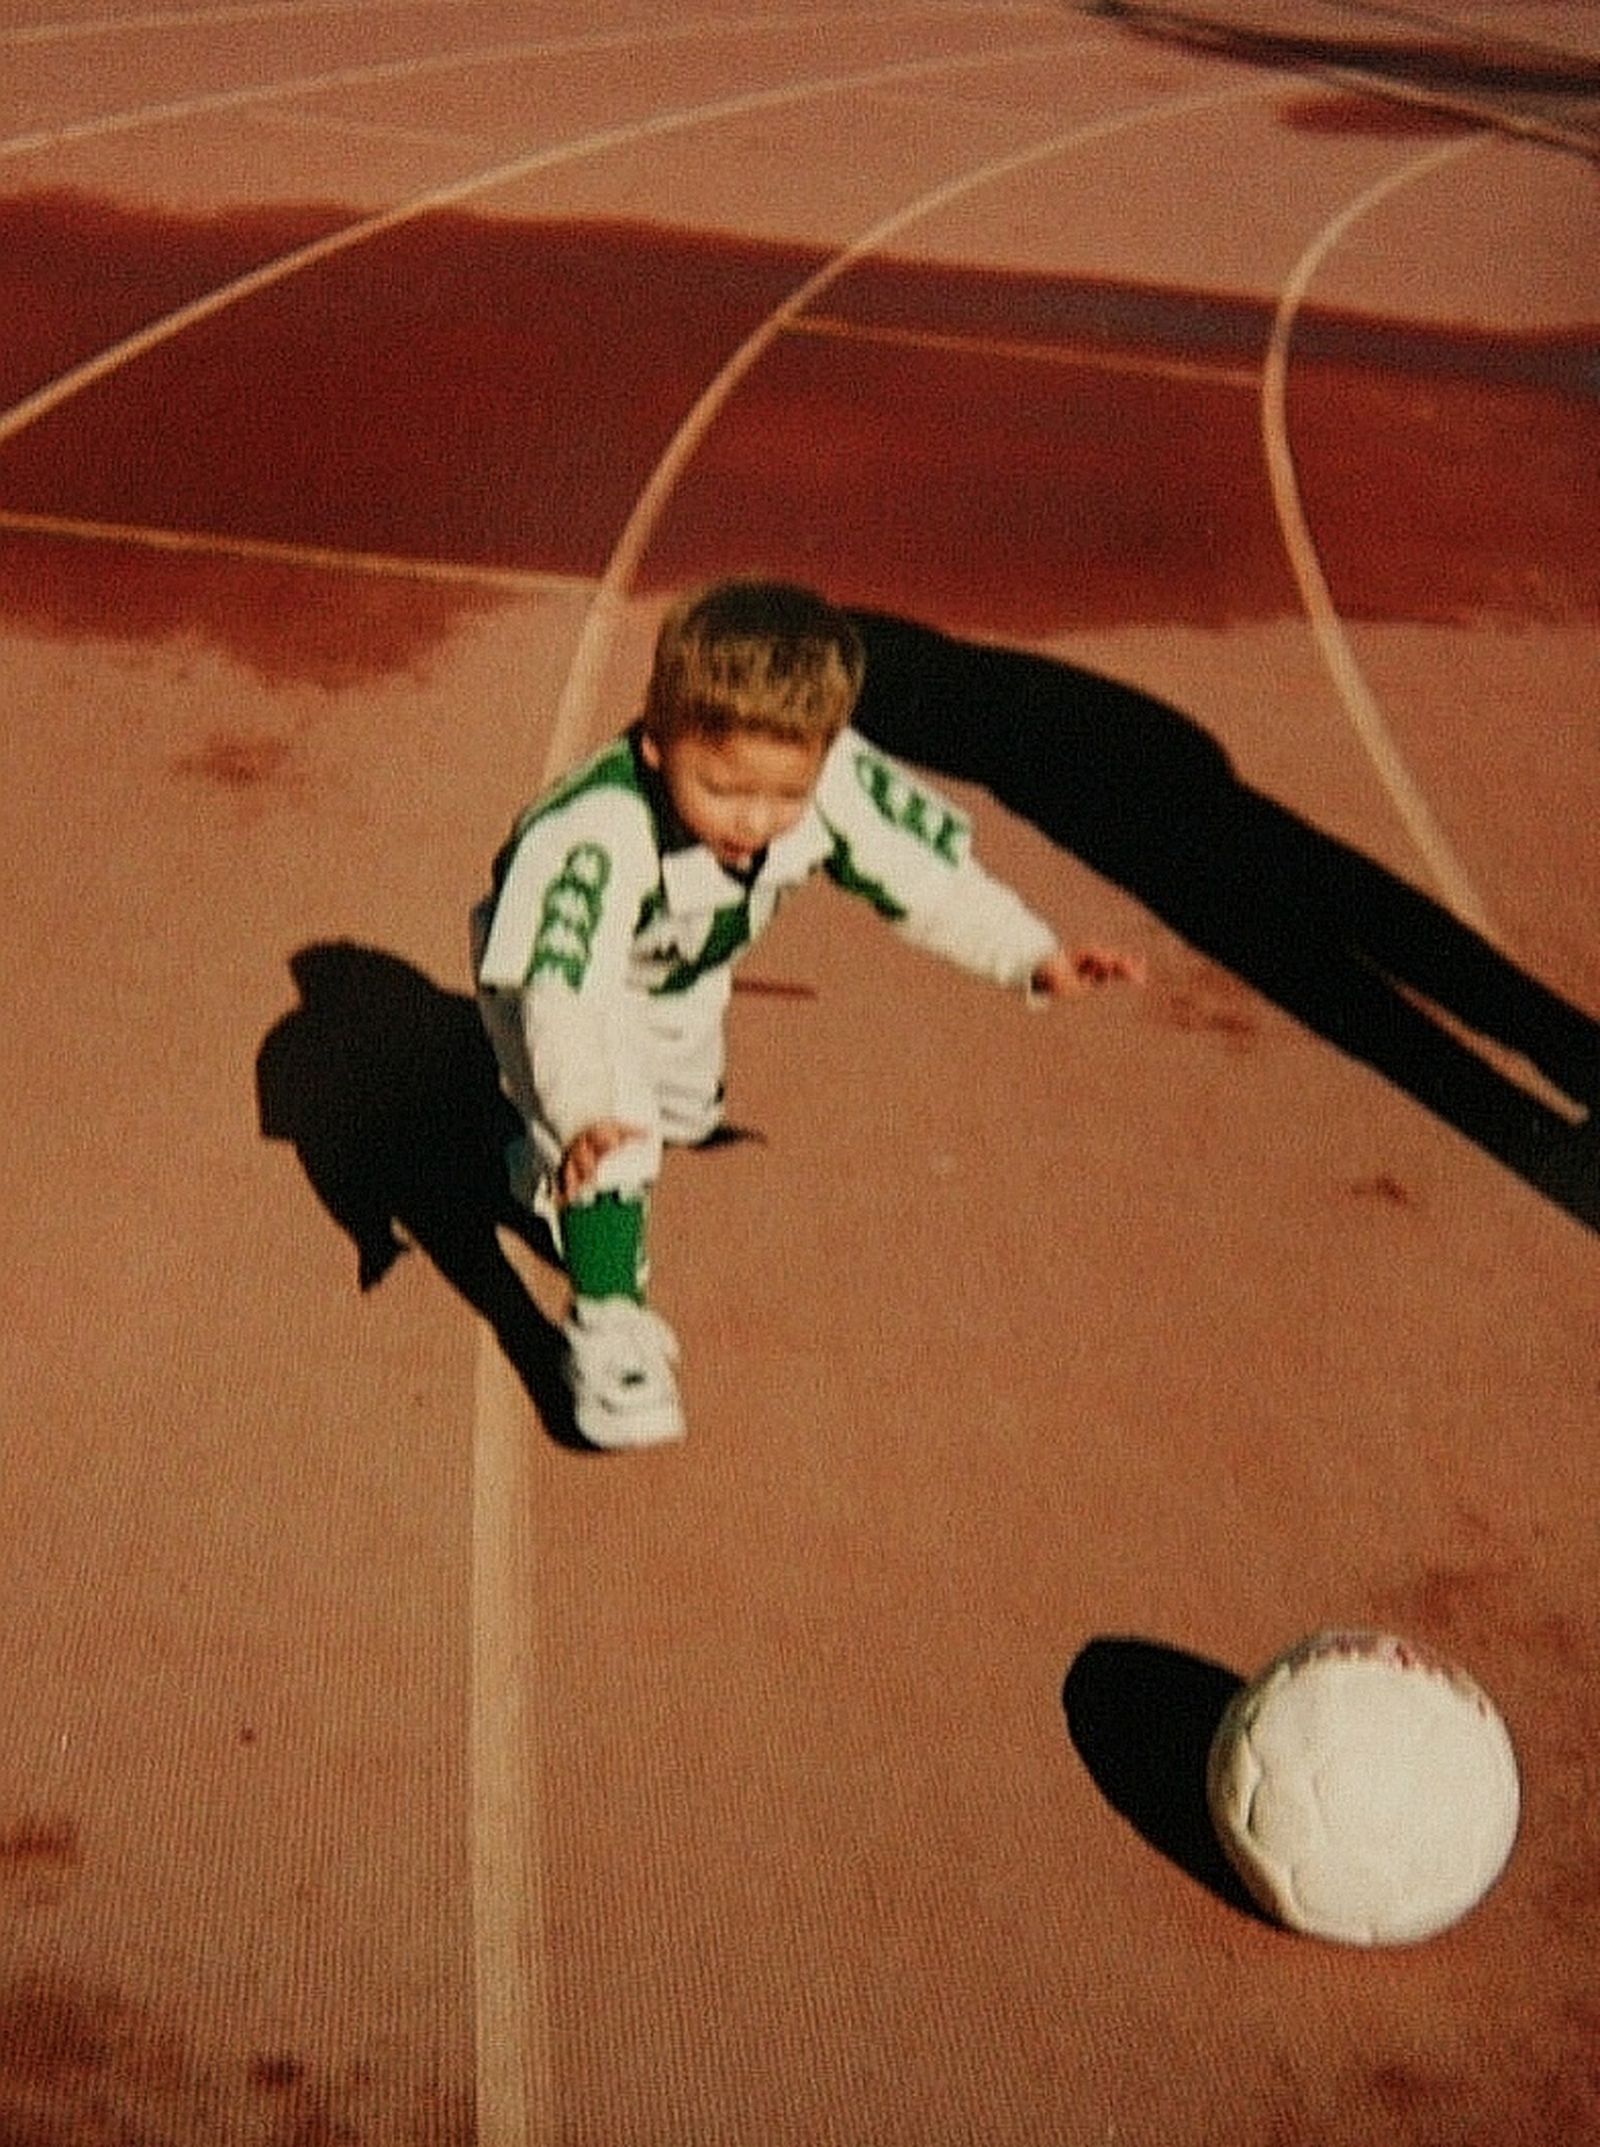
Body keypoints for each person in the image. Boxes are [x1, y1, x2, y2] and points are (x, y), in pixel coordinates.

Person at [474, 581, 1143, 1449]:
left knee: (682, 1113)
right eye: (722, 788)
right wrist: (584, 1108)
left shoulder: (829, 777)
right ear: (655, 741)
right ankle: (609, 1335)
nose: (754, 820)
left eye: (783, 796)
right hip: (556, 984)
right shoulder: (597, 833)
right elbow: (566, 994)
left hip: (681, 982)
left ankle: (545, 1161)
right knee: (617, 1137)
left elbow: (929, 880)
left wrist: (1033, 954)